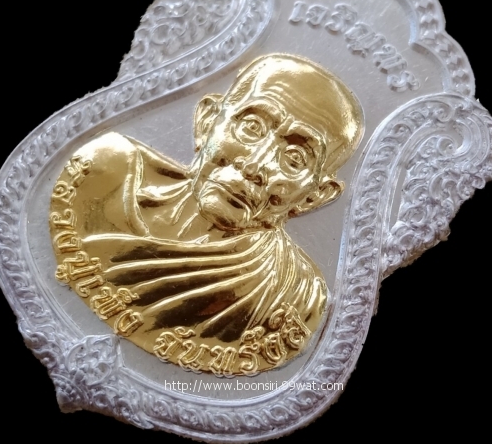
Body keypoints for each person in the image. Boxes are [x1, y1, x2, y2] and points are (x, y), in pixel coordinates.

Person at [50, 54, 364, 375]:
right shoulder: (106, 174)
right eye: (252, 128)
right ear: (207, 121)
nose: (254, 165)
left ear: (314, 196)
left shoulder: (296, 299)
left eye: (294, 159)